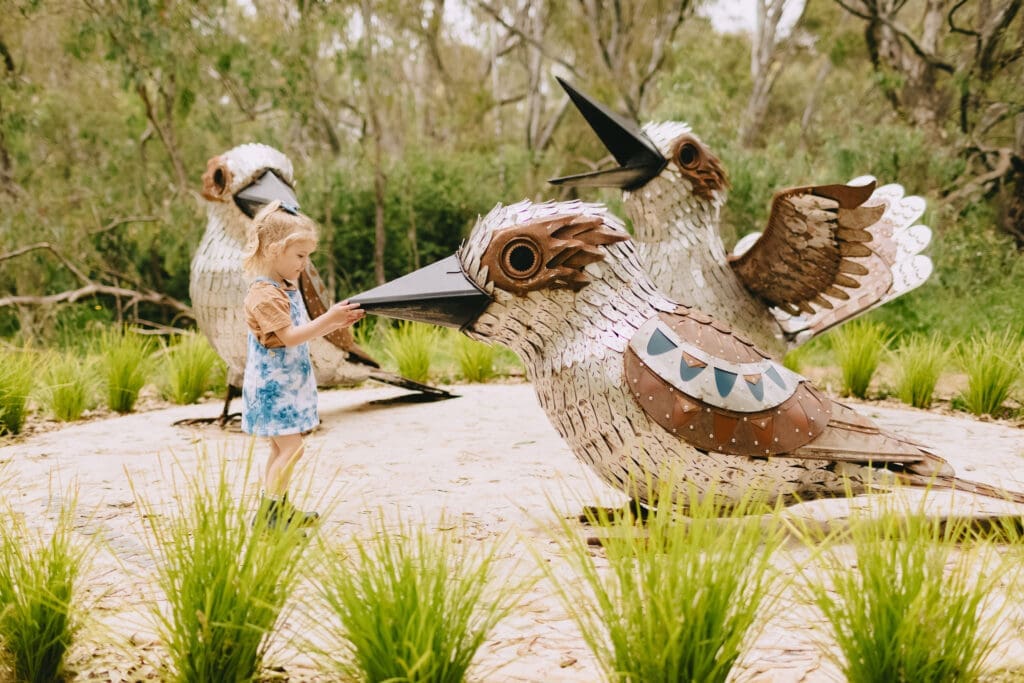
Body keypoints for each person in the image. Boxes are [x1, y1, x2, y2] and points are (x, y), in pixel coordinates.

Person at [241, 200, 363, 529]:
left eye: (307, 256)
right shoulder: (265, 294)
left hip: (286, 386)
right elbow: (291, 336)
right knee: (292, 450)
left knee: (281, 450)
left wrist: (335, 320)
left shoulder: (283, 287)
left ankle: (276, 509)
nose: (304, 263)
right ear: (273, 250)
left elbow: (299, 334)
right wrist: (330, 317)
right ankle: (270, 517)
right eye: (299, 256)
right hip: (272, 390)